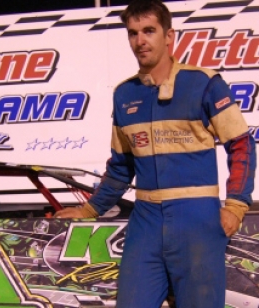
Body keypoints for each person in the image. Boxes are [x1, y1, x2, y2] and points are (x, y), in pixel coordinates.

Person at [54, 0, 257, 307]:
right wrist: (90, 209)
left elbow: (242, 144)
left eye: (149, 30)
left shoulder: (204, 83)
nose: (140, 40)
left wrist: (236, 206)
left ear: (169, 36)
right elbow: (121, 167)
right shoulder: (125, 94)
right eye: (133, 33)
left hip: (197, 220)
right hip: (146, 221)